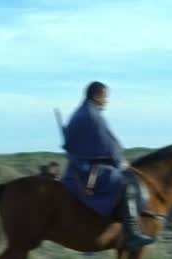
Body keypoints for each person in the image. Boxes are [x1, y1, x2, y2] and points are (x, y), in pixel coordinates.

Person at [62, 81, 155, 249]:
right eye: (105, 97)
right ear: (97, 95)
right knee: (127, 184)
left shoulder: (82, 112)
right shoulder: (92, 116)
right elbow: (107, 145)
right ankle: (133, 234)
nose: (106, 101)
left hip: (78, 166)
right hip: (88, 170)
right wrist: (121, 162)